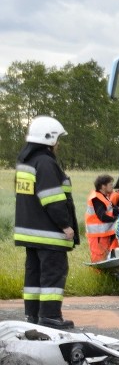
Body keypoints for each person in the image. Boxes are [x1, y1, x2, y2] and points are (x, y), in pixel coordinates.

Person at [13, 116, 79, 329]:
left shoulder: (26, 162)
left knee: (33, 276)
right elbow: (52, 199)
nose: (58, 143)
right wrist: (65, 226)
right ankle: (50, 317)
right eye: (57, 139)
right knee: (53, 275)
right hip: (49, 233)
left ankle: (33, 317)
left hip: (30, 232)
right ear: (49, 139)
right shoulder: (46, 163)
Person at [85, 174, 119, 262]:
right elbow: (102, 217)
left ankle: (103, 275)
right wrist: (116, 219)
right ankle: (97, 275)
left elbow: (112, 210)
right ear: (103, 186)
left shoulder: (104, 197)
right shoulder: (96, 198)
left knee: (105, 257)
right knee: (99, 259)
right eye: (110, 184)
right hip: (97, 236)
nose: (112, 186)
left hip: (103, 235)